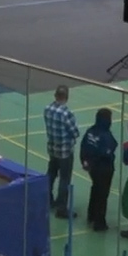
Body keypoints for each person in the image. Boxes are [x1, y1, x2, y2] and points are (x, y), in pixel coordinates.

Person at [80, 107, 118, 231]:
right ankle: (99, 222)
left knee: (95, 189)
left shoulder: (90, 131)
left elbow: (83, 146)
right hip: (103, 168)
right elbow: (109, 150)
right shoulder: (105, 135)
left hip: (92, 167)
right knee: (102, 194)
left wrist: (85, 161)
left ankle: (91, 215)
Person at [43, 85, 77, 219]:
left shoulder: (47, 109)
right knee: (64, 178)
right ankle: (62, 209)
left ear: (55, 95)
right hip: (65, 151)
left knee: (51, 174)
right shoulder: (66, 113)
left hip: (52, 148)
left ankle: (47, 199)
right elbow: (74, 132)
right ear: (66, 97)